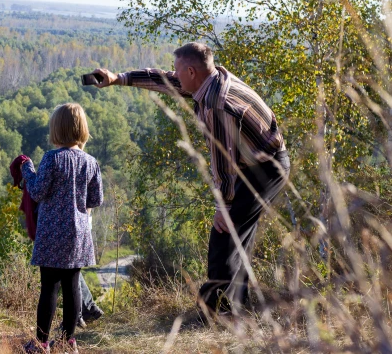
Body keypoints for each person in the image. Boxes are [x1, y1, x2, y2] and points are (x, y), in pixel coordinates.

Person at [93, 42, 290, 318]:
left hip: (265, 170)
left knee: (225, 234)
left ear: (191, 71)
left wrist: (223, 205)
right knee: (236, 239)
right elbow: (165, 80)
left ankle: (216, 313)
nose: (175, 74)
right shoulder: (211, 79)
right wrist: (119, 79)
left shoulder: (216, 105)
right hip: (255, 164)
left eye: (178, 69)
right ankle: (230, 310)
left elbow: (224, 162)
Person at [21, 103, 103, 353]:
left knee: (49, 287)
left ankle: (42, 343)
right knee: (72, 286)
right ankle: (68, 341)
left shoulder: (52, 159)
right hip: (78, 235)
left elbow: (37, 191)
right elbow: (95, 200)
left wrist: (27, 168)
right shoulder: (91, 162)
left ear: (56, 129)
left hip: (52, 234)